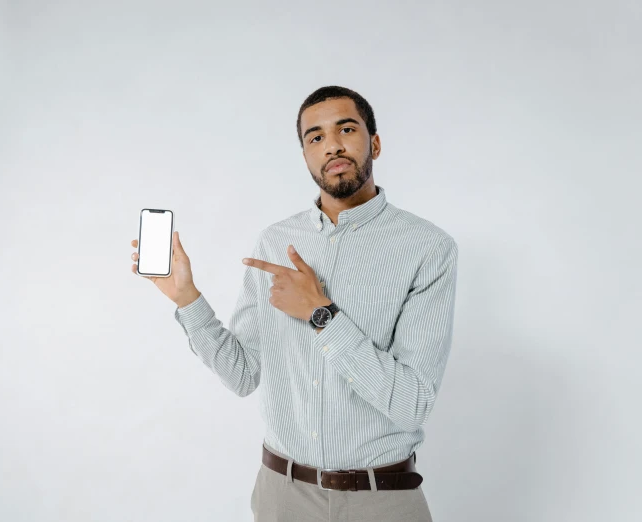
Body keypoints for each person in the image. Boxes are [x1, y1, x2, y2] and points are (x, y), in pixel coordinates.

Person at [130, 85, 458, 522]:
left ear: (374, 143)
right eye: (315, 137)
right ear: (305, 155)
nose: (333, 145)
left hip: (383, 499)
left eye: (346, 129)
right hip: (282, 497)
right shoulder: (276, 242)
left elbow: (412, 403)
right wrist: (186, 298)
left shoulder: (427, 248)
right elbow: (243, 375)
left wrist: (322, 315)